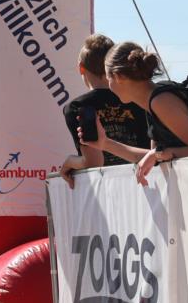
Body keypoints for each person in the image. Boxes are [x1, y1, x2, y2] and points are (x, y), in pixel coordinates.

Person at [81, 42, 188, 187]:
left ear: (118, 76)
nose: (109, 86)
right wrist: (105, 144)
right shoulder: (152, 101)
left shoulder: (161, 102)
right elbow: (152, 156)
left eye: (108, 79)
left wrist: (157, 154)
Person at [59, 34, 150, 188]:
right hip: (147, 183)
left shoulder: (78, 106)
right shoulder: (138, 100)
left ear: (81, 67)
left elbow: (93, 162)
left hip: (107, 189)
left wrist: (69, 162)